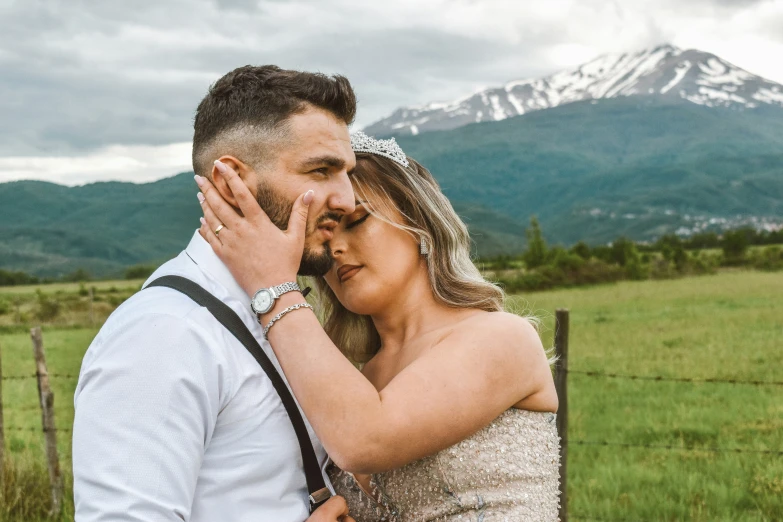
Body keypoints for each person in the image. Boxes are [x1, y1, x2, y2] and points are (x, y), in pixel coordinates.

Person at [195, 131, 561, 520]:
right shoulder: (358, 379)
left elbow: (365, 439)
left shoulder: (500, 338)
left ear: (418, 220)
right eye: (323, 235)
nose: (335, 249)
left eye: (355, 221)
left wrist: (272, 286)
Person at [72, 65, 361, 522]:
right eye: (321, 170)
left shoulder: (286, 310)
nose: (346, 199)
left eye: (346, 173)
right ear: (231, 182)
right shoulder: (165, 334)